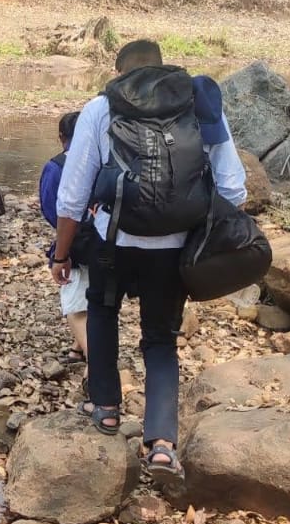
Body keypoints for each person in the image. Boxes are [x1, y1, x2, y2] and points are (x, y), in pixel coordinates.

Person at [52, 39, 246, 477]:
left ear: (119, 73)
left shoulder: (101, 108)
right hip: (175, 249)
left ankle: (105, 408)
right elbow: (233, 187)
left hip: (112, 243)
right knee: (160, 339)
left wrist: (61, 254)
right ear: (163, 69)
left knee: (102, 312)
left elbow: (72, 196)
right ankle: (161, 443)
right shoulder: (198, 102)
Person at [39, 111, 88, 367]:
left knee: (76, 308)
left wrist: (61, 252)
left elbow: (52, 210)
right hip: (109, 241)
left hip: (75, 245)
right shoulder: (104, 160)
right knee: (94, 298)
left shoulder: (56, 166)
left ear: (61, 137)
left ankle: (100, 367)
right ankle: (77, 350)